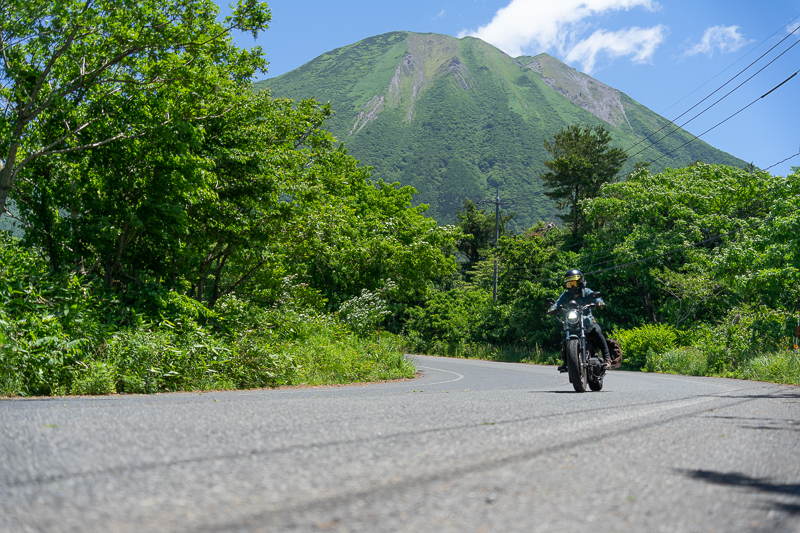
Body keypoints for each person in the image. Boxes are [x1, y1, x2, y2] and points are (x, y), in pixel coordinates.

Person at [547, 269, 612, 370]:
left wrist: (599, 302)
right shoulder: (566, 294)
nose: (572, 287)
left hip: (588, 321)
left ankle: (607, 358)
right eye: (569, 284)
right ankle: (566, 362)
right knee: (565, 337)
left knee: (597, 331)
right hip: (573, 321)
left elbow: (595, 297)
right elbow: (558, 302)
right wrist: (553, 308)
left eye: (574, 283)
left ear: (581, 282)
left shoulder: (586, 292)